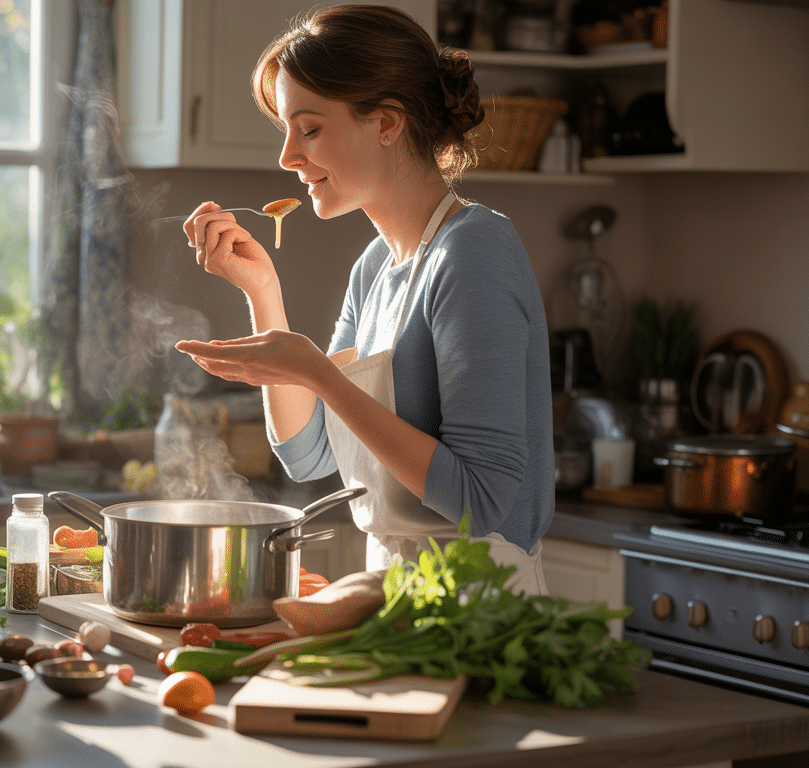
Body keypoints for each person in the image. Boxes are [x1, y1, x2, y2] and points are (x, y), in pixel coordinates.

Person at [175, 4, 553, 594]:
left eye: (310, 128)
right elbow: (309, 454)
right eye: (286, 131)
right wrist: (263, 293)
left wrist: (320, 374)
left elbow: (480, 501)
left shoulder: (474, 250)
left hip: (483, 605)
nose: (287, 157)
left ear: (386, 122)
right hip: (392, 594)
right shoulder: (375, 266)